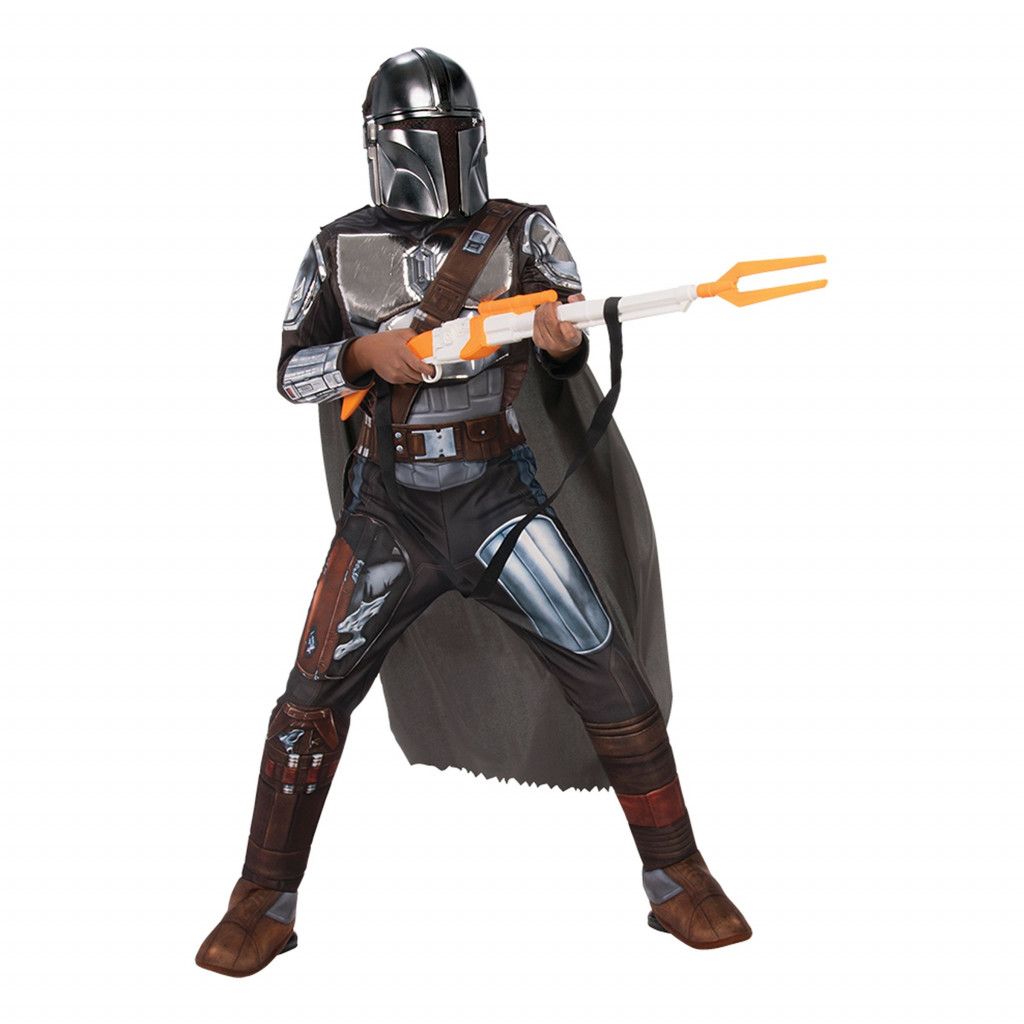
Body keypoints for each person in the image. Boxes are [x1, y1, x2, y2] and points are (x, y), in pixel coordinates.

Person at [196, 47, 750, 978]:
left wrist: (560, 344)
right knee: (311, 695)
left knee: (609, 673)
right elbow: (291, 374)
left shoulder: (523, 231)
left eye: (454, 134)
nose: (442, 151)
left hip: (499, 496)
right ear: (384, 144)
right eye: (425, 135)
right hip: (390, 510)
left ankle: (676, 875)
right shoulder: (335, 248)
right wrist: (363, 357)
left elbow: (567, 345)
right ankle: (264, 896)